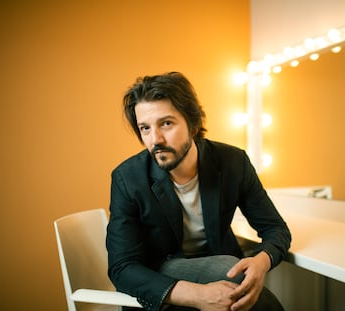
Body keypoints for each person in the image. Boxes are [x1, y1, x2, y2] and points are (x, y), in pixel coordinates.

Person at [106, 72, 291, 311]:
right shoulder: (127, 178)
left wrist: (261, 261)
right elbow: (122, 267)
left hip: (220, 267)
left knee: (231, 273)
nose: (155, 139)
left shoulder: (233, 161)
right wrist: (198, 295)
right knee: (233, 275)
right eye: (145, 128)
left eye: (166, 123)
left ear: (193, 124)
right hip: (160, 278)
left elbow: (275, 228)